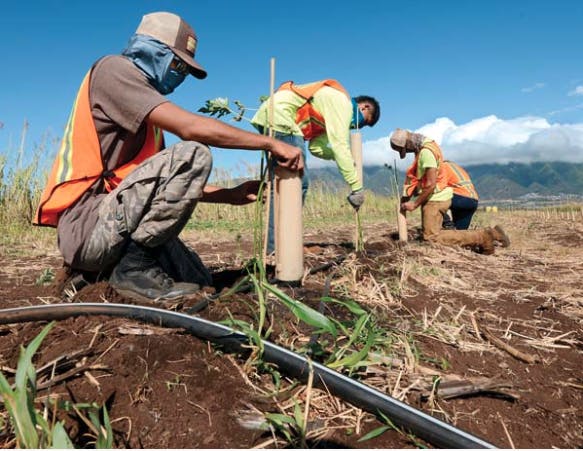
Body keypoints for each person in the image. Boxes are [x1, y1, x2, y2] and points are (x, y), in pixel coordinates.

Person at [33, 12, 303, 302]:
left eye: (185, 71)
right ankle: (132, 268)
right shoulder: (114, 71)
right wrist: (269, 143)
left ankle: (105, 273)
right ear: (151, 49)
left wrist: (229, 194)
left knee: (199, 278)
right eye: (177, 65)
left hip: (113, 223)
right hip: (88, 227)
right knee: (195, 152)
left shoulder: (147, 122)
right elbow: (190, 129)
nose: (180, 77)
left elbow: (160, 188)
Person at [251, 80, 380, 253]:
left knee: (284, 186)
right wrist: (356, 187)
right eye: (363, 122)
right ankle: (279, 248)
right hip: (282, 117)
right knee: (295, 184)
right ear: (363, 107)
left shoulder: (330, 112)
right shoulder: (343, 103)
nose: (358, 126)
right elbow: (340, 145)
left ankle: (280, 245)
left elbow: (316, 148)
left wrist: (341, 159)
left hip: (273, 116)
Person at [389, 128, 509, 254]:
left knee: (431, 239)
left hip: (439, 199)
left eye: (405, 150)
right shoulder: (429, 146)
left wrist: (415, 203)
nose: (406, 153)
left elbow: (430, 184)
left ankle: (484, 236)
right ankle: (491, 236)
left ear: (409, 144)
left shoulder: (426, 153)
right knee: (456, 235)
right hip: (463, 200)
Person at [441, 160, 479, 230]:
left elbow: (438, 187)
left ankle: (447, 223)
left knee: (432, 198)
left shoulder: (442, 167)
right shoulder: (458, 168)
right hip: (473, 201)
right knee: (460, 233)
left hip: (461, 198)